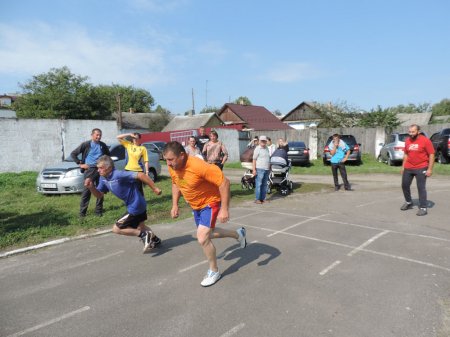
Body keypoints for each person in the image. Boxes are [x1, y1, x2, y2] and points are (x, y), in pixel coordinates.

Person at [163, 141, 247, 287]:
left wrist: (224, 209)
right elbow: (175, 183)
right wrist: (175, 204)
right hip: (196, 206)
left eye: (171, 159)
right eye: (166, 160)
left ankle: (214, 271)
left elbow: (224, 183)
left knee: (202, 238)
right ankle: (238, 234)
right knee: (210, 233)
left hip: (210, 203)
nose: (168, 164)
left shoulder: (198, 166)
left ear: (182, 155)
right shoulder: (173, 167)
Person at [84, 155, 163, 253]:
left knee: (116, 229)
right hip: (137, 204)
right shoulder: (103, 179)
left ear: (108, 168)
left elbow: (141, 175)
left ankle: (144, 235)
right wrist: (91, 187)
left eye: (101, 168)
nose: (98, 171)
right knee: (141, 227)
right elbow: (99, 195)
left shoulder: (119, 174)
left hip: (136, 204)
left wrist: (154, 188)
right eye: (97, 168)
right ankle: (155, 240)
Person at [71, 128, 110, 217]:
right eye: (97, 135)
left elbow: (108, 156)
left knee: (101, 189)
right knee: (87, 191)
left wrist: (106, 166)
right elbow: (73, 154)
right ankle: (82, 213)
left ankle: (98, 211)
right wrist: (80, 164)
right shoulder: (86, 144)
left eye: (100, 135)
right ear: (92, 135)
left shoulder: (103, 145)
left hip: (101, 170)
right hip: (90, 170)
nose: (99, 137)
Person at [400, 124, 435, 216]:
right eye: (409, 132)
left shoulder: (425, 140)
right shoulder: (407, 141)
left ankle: (423, 207)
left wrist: (430, 169)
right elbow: (406, 154)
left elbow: (431, 154)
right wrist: (403, 167)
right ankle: (408, 202)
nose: (411, 134)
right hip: (408, 167)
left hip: (421, 167)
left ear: (418, 131)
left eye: (413, 132)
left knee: (421, 187)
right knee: (404, 185)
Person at [252, 135, 271, 204]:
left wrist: (269, 168)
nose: (263, 142)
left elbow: (268, 159)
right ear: (259, 141)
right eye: (262, 141)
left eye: (264, 141)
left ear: (266, 141)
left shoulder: (267, 148)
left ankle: (263, 198)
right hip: (259, 169)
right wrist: (254, 170)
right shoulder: (257, 149)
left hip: (266, 169)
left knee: (264, 185)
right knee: (258, 184)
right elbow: (254, 160)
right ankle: (257, 199)